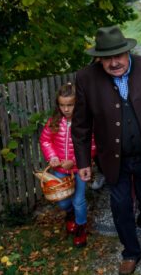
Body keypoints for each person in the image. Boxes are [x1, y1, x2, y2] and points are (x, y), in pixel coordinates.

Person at [72, 25, 141, 274]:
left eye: (118, 56)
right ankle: (130, 251)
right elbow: (81, 125)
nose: (114, 62)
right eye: (107, 58)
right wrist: (83, 162)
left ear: (128, 51)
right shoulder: (86, 78)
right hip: (113, 160)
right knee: (120, 206)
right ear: (99, 58)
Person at [40, 83, 96, 247]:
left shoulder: (85, 123)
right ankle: (70, 214)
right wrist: (52, 157)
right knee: (63, 201)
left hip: (79, 170)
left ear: (77, 104)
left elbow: (93, 146)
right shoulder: (54, 122)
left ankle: (80, 228)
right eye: (62, 105)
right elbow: (45, 140)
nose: (66, 109)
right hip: (60, 170)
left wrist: (76, 161)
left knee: (78, 200)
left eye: (70, 105)